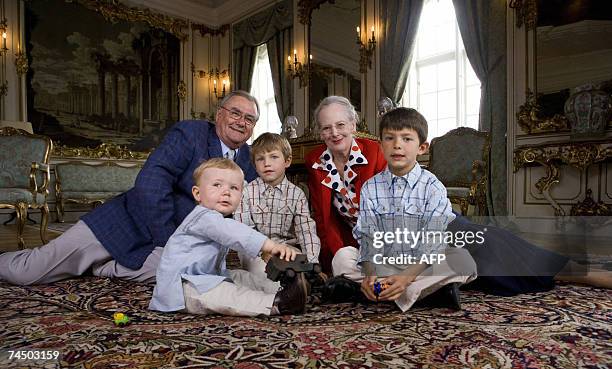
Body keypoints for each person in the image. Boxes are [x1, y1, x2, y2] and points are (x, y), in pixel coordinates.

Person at [306, 96, 611, 296]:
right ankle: (395, 286)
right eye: (326, 128)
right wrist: (330, 259)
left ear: (353, 126)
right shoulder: (316, 161)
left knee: (487, 242)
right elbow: (326, 218)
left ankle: (570, 272)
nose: (334, 133)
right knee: (346, 260)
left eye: (340, 125)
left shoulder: (376, 150)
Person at [0, 90, 260, 285]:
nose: (241, 122)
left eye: (249, 119)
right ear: (219, 114)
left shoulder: (248, 159)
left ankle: (103, 267)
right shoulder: (191, 134)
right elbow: (150, 184)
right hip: (127, 223)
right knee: (29, 272)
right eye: (235, 113)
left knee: (194, 273)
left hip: (173, 242)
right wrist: (169, 241)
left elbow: (246, 206)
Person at [333, 107, 477, 310]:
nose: (397, 145)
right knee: (342, 257)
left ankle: (391, 292)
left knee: (463, 260)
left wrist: (406, 277)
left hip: (420, 266)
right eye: (390, 138)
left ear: (422, 147)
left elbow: (433, 241)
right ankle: (423, 294)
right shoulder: (370, 187)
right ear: (381, 145)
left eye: (407, 139)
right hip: (384, 264)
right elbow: (368, 236)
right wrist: (370, 273)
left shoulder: (433, 186)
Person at [150, 158, 309, 316]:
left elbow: (233, 236)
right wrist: (270, 246)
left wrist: (261, 252)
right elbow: (233, 232)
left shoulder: (218, 219)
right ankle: (277, 303)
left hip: (207, 276)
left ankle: (287, 289)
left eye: (234, 188)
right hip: (182, 288)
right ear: (197, 194)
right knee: (225, 293)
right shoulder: (203, 217)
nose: (226, 192)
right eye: (217, 185)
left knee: (241, 276)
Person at [233, 133, 320, 279]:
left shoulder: (297, 194)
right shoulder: (246, 192)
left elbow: (306, 232)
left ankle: (299, 282)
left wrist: (312, 262)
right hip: (254, 250)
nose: (267, 163)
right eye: (260, 159)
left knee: (300, 268)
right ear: (254, 165)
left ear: (287, 161)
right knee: (264, 273)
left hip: (285, 247)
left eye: (274, 157)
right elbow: (244, 230)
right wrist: (263, 250)